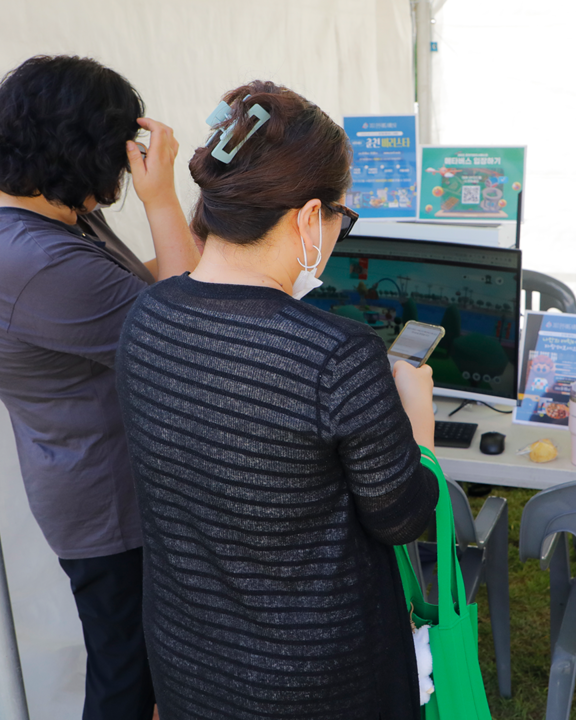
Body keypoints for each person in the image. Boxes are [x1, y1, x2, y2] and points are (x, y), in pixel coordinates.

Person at [115, 81, 439, 720]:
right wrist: (417, 427)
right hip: (319, 678)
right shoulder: (334, 354)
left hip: (189, 658)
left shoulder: (147, 315)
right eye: (342, 216)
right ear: (307, 217)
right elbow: (402, 519)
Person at [0, 55, 198, 720]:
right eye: (118, 161)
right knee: (127, 677)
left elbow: (136, 292)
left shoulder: (23, 205)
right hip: (108, 502)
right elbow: (181, 327)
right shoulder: (33, 260)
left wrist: (199, 220)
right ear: (82, 157)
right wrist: (163, 201)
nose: (122, 177)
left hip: (91, 474)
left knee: (140, 662)